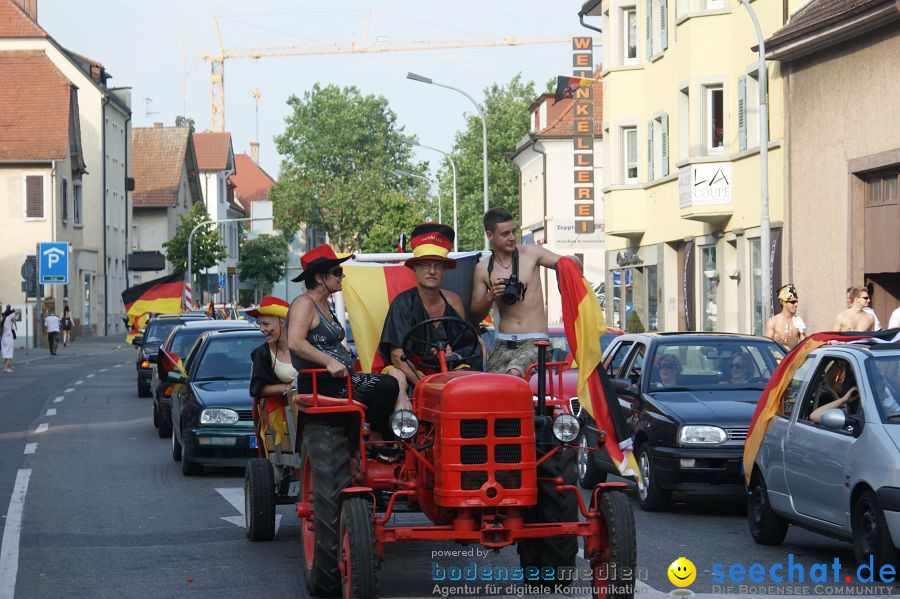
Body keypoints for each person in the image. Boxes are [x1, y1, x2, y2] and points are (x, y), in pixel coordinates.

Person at [287, 244, 407, 437]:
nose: (342, 276)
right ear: (319, 278)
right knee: (388, 385)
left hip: (339, 381)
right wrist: (329, 361)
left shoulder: (323, 303)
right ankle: (375, 439)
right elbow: (295, 342)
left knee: (393, 381)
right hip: (322, 383)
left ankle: (373, 436)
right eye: (337, 272)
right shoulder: (304, 303)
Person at [470, 207, 572, 378]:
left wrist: (572, 263)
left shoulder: (532, 253)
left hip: (535, 341)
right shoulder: (482, 268)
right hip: (503, 341)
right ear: (490, 235)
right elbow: (474, 314)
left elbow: (567, 264)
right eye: (505, 234)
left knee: (514, 374)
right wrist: (491, 296)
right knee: (492, 387)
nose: (512, 238)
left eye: (513, 232)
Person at [380, 223, 482, 387]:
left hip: (452, 377)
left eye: (437, 266)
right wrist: (426, 387)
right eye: (426, 265)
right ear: (415, 268)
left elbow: (467, 345)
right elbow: (396, 354)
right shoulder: (402, 303)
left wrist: (453, 355)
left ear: (445, 270)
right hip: (414, 378)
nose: (432, 271)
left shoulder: (454, 302)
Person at [248, 296, 297, 400]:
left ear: (282, 322)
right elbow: (256, 389)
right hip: (280, 414)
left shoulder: (305, 345)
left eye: (266, 324)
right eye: (259, 324)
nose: (261, 329)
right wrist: (289, 387)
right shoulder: (262, 353)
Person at [1, 306, 16, 373]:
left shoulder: (3, 319)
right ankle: (5, 368)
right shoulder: (8, 317)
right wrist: (12, 311)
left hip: (3, 338)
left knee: (5, 353)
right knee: (9, 353)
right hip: (8, 337)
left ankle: (7, 366)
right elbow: (16, 312)